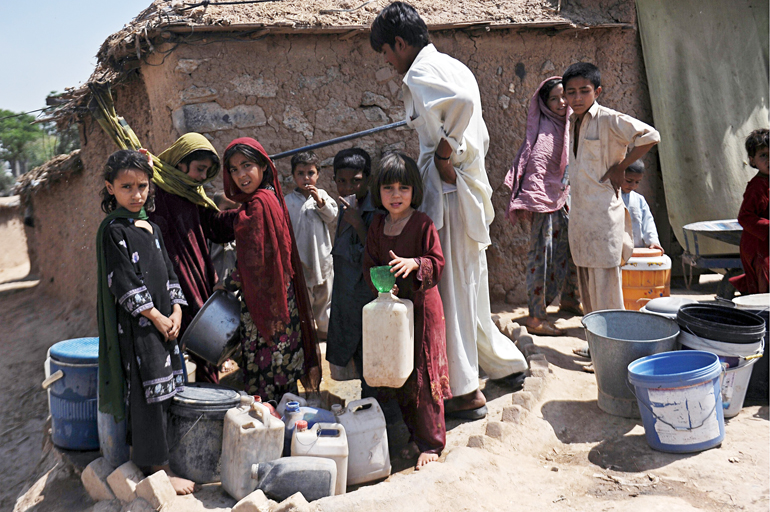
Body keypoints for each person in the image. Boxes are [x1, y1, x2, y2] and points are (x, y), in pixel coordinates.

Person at [370, 2, 527, 419]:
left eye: (385, 51)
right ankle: (505, 366)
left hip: (450, 190)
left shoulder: (421, 72)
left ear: (400, 43)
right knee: (471, 288)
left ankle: (464, 391)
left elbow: (462, 105)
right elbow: (477, 127)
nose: (387, 61)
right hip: (463, 187)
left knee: (452, 294)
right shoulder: (452, 65)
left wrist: (444, 154)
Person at [96, 150, 194, 495]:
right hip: (139, 329)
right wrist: (155, 316)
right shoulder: (114, 231)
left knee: (167, 392)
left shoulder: (152, 228)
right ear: (110, 188)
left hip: (166, 325)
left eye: (142, 186)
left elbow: (169, 273)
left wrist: (177, 312)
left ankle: (158, 457)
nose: (136, 194)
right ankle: (158, 468)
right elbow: (123, 281)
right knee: (147, 394)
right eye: (126, 187)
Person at [562, 62, 660, 369]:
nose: (577, 97)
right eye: (571, 92)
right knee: (588, 292)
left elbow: (650, 135)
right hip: (581, 218)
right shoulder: (573, 121)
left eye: (584, 91)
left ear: (597, 91)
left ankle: (614, 359)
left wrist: (621, 166)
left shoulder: (608, 119)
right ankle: (596, 349)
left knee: (606, 292)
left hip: (603, 217)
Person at [363, 152, 451, 469]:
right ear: (379, 192)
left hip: (423, 311)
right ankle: (413, 436)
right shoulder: (378, 224)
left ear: (414, 190)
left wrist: (415, 263)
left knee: (423, 375)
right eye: (388, 188)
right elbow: (371, 263)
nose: (396, 195)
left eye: (403, 187)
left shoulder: (422, 224)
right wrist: (384, 286)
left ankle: (432, 443)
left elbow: (436, 263)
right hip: (393, 312)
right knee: (399, 370)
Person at [220, 137, 322, 401]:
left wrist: (226, 283)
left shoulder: (257, 205)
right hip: (282, 300)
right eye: (234, 169)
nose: (241, 175)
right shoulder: (270, 197)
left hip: (265, 303)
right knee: (283, 370)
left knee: (265, 373)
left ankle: (270, 420)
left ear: (263, 166)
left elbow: (255, 259)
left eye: (247, 165)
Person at [148, 133, 237, 384]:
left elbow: (214, 227)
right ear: (181, 162)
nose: (202, 176)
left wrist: (244, 215)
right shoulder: (154, 192)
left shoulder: (193, 195)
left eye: (206, 171)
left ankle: (208, 397)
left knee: (205, 345)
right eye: (199, 169)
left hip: (199, 279)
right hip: (170, 283)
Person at [504, 77, 582, 337]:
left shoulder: (570, 125)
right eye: (554, 99)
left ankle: (570, 299)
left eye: (564, 96)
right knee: (543, 258)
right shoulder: (547, 132)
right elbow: (538, 165)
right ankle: (536, 317)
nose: (562, 103)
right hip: (544, 203)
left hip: (565, 198)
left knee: (572, 251)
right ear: (545, 104)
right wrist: (537, 198)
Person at [325, 148, 378, 383]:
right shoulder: (345, 205)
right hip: (345, 295)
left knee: (369, 355)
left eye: (355, 181)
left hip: (364, 296)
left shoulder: (374, 211)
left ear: (368, 179)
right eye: (342, 181)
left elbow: (375, 253)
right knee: (351, 354)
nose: (348, 188)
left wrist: (358, 224)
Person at [285, 151, 338, 339]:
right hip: (300, 261)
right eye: (300, 173)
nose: (306, 178)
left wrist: (319, 201)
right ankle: (306, 335)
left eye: (310, 173)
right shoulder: (288, 202)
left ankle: (325, 332)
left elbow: (332, 216)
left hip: (322, 259)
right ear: (293, 176)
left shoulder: (322, 195)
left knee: (325, 298)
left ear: (318, 174)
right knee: (303, 299)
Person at [730, 129, 769, 294]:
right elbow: (745, 217)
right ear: (752, 161)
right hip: (759, 245)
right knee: (764, 281)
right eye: (764, 155)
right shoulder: (756, 187)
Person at [621, 160, 664, 252]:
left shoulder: (639, 200)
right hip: (615, 252)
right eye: (629, 181)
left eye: (637, 182)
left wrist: (653, 242)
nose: (633, 185)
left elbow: (648, 222)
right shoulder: (609, 198)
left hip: (637, 250)